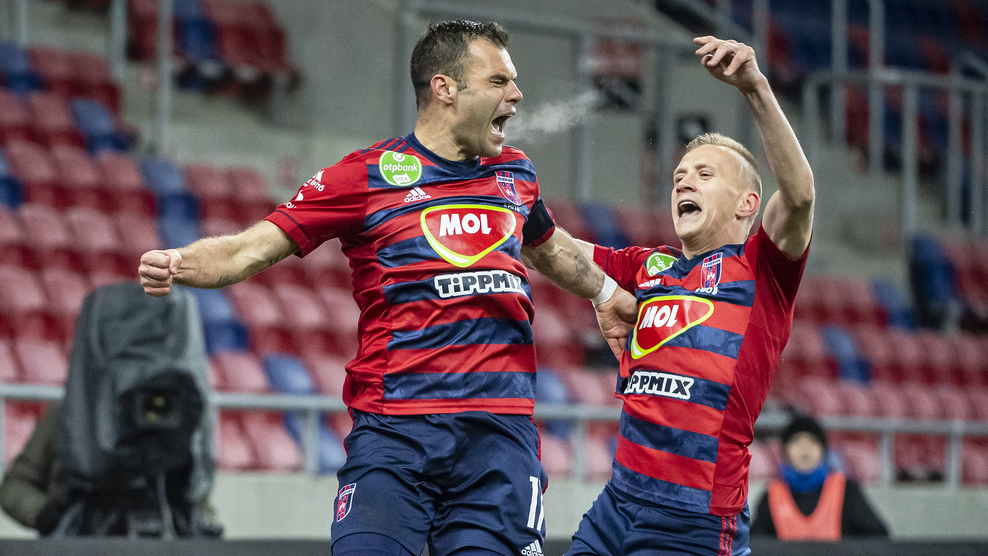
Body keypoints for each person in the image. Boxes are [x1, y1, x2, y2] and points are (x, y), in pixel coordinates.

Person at [139, 19, 635, 556]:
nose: (516, 95)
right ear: (445, 88)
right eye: (498, 81)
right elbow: (248, 249)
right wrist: (180, 262)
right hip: (396, 435)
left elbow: (551, 249)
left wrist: (607, 295)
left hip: (499, 441)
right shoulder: (366, 176)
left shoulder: (516, 174)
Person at [563, 35, 815, 556]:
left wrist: (755, 88)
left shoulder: (762, 270)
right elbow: (560, 250)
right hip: (617, 504)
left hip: (694, 521)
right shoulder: (649, 265)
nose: (684, 183)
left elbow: (799, 196)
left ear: (748, 203)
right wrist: (503, 201)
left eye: (703, 174)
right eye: (679, 176)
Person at [750, 413, 889, 540]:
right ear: (785, 451)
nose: (805, 449)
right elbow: (756, 543)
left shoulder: (847, 491)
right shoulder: (772, 495)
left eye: (812, 441)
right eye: (796, 442)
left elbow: (878, 537)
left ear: (824, 450)